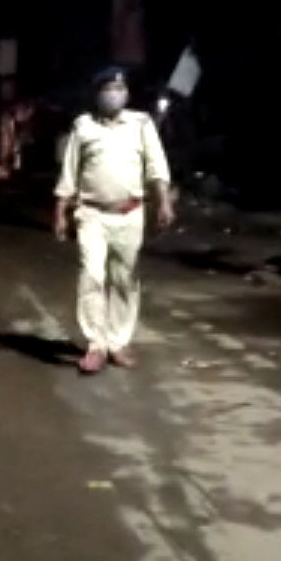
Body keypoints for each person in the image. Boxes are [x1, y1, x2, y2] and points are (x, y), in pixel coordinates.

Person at [52, 67, 175, 374]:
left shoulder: (141, 124)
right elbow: (69, 173)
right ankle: (96, 345)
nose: (115, 93)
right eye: (109, 88)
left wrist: (163, 202)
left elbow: (156, 166)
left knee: (124, 280)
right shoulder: (83, 126)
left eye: (120, 88)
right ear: (97, 94)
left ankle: (118, 342)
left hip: (130, 213)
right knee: (91, 276)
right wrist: (60, 212)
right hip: (91, 213)